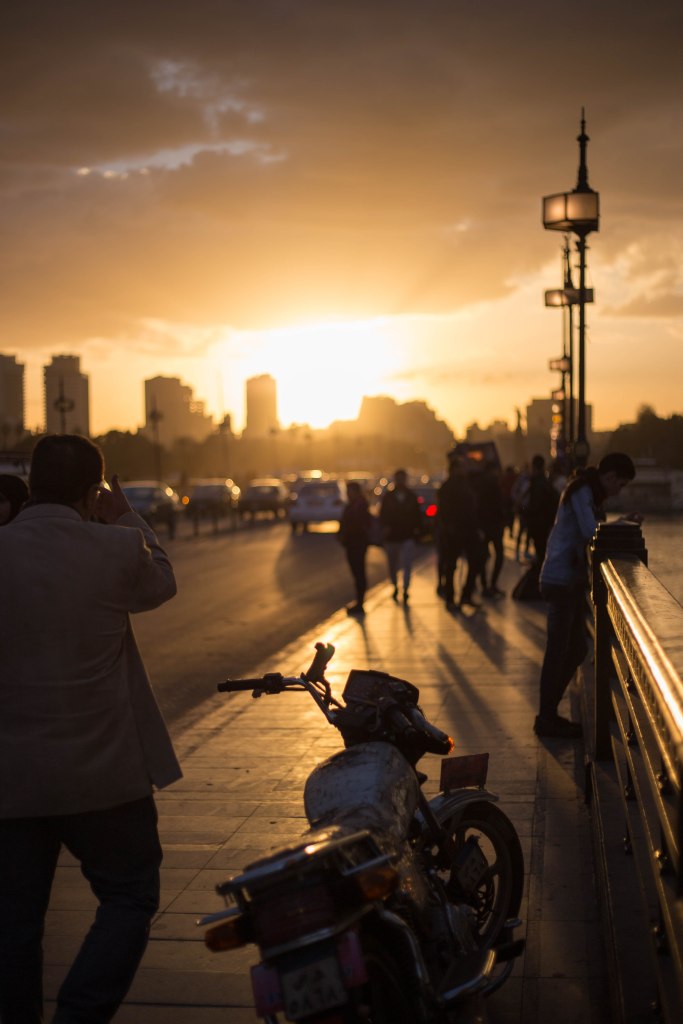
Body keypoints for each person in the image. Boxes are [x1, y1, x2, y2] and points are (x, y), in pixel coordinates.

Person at [0, 434, 182, 1024]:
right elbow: (162, 582)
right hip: (106, 778)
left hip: (11, 782)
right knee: (130, 896)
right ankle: (79, 1016)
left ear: (30, 482)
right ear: (93, 489)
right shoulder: (116, 547)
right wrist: (123, 511)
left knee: (15, 928)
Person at [534, 451, 638, 739]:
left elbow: (591, 530)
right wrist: (617, 525)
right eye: (621, 483)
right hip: (560, 579)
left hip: (568, 580)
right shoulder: (581, 492)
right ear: (610, 477)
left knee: (576, 648)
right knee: (558, 651)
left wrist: (618, 522)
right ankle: (546, 717)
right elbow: (590, 531)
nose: (620, 490)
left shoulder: (586, 493)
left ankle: (549, 712)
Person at [437, 454, 484, 609]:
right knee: (451, 566)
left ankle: (466, 595)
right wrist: (449, 528)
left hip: (469, 530)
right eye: (462, 466)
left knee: (476, 562)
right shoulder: (447, 487)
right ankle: (450, 599)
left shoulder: (467, 484)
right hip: (454, 532)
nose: (465, 469)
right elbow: (444, 512)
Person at [379, 468, 421, 604]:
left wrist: (417, 532)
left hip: (407, 536)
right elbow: (382, 515)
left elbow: (417, 516)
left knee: (407, 564)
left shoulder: (411, 496)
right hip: (392, 537)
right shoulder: (388, 497)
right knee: (393, 565)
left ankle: (406, 589)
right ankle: (395, 586)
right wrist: (385, 529)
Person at [472, 459, 506, 598]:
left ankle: (485, 584)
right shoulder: (493, 483)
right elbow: (499, 504)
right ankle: (492, 584)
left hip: (483, 525)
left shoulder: (478, 483)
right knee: (498, 554)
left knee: (483, 555)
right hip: (494, 525)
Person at [339, 480, 373, 616]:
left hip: (357, 544)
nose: (348, 494)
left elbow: (360, 524)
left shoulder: (360, 505)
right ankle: (359, 602)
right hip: (352, 544)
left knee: (359, 574)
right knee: (357, 574)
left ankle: (360, 603)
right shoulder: (353, 505)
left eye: (350, 491)